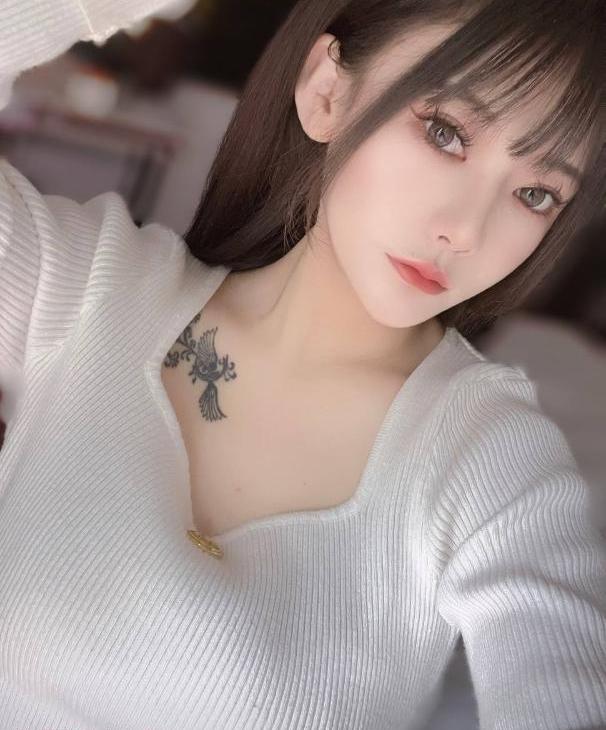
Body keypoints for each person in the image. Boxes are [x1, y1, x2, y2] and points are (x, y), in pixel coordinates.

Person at [0, 1, 604, 728]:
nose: (466, 231)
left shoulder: (491, 464)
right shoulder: (85, 291)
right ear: (326, 92)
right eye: (446, 133)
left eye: (536, 194)